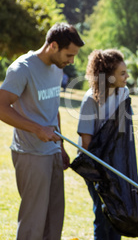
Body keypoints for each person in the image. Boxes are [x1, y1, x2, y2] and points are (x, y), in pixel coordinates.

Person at [0, 23, 84, 239]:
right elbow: (1, 107)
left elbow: (52, 108)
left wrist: (61, 147)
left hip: (52, 151)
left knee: (54, 219)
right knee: (33, 222)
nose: (71, 61)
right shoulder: (22, 69)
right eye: (69, 55)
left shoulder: (57, 68)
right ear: (53, 46)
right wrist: (37, 129)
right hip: (30, 154)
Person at [77, 49, 130, 240]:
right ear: (108, 76)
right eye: (122, 73)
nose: (127, 77)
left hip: (115, 164)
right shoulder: (91, 99)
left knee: (117, 213)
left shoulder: (124, 93)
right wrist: (101, 173)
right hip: (95, 165)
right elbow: (86, 141)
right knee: (102, 213)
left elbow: (122, 133)